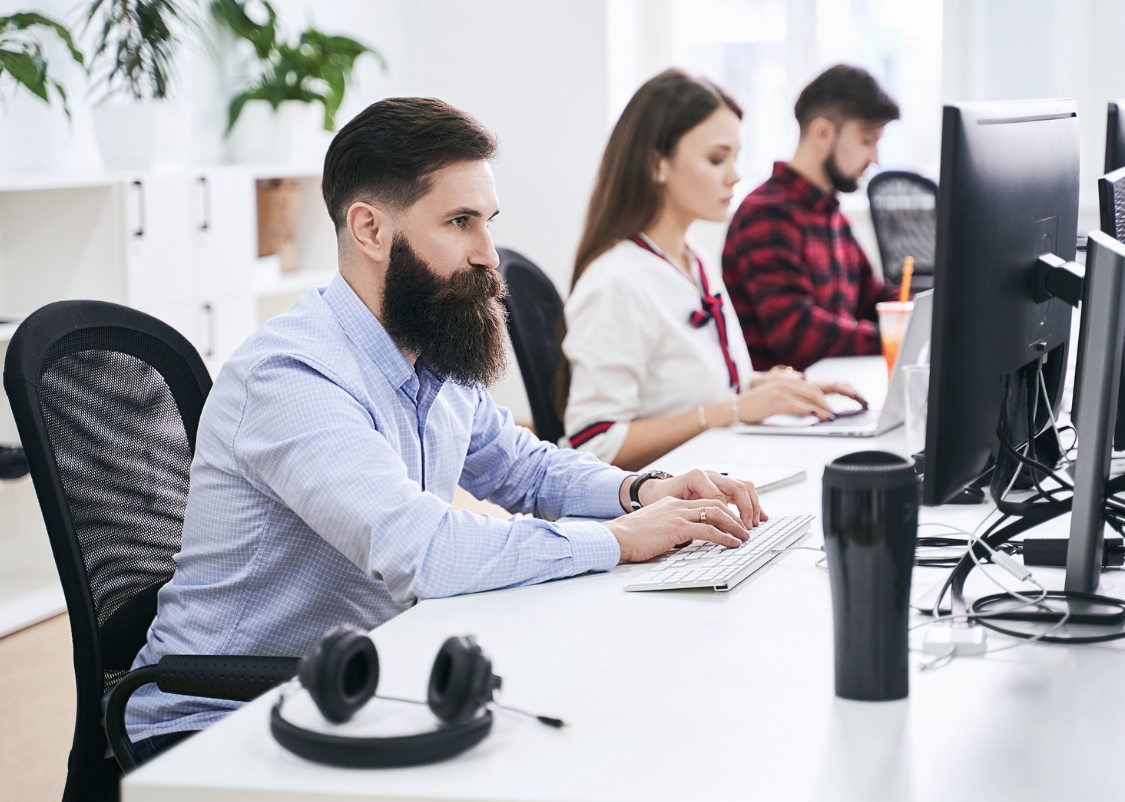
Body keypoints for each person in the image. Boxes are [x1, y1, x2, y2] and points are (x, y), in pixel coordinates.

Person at [123, 97, 766, 759]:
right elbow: (425, 553)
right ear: (370, 229)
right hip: (219, 723)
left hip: (353, 687)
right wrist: (618, 539)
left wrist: (642, 492)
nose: (489, 254)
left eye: (487, 222)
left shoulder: (429, 346)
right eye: (460, 222)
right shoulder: (291, 376)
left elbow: (523, 466)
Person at [560, 69, 864, 471]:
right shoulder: (616, 282)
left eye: (736, 158)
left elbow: (694, 386)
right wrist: (733, 410)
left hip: (713, 474)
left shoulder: (692, 258)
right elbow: (593, 446)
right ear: (657, 165)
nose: (735, 175)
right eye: (716, 158)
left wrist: (780, 388)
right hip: (658, 509)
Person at [722, 64, 903, 370]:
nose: (875, 158)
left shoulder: (830, 213)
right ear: (823, 133)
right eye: (866, 140)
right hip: (784, 409)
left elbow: (870, 296)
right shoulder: (766, 214)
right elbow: (796, 331)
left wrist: (930, 313)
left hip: (829, 392)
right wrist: (892, 337)